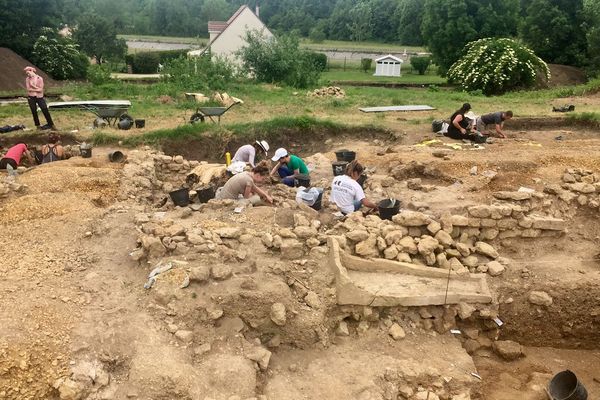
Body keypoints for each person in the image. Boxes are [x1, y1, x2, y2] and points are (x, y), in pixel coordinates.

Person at [24, 66, 56, 131]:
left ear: (32, 71)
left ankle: (51, 125)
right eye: (27, 74)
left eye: (28, 73)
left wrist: (33, 87)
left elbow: (41, 90)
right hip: (31, 97)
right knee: (34, 111)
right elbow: (28, 89)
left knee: (45, 109)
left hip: (39, 97)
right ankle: (38, 126)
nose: (28, 75)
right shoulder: (27, 79)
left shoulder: (39, 78)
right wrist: (36, 88)